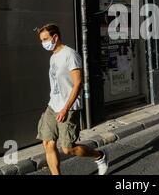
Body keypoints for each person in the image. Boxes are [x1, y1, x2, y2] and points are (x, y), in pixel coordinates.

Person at [36, 24, 108, 175]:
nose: (43, 43)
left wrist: (65, 108)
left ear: (55, 37)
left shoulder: (70, 54)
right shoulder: (53, 57)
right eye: (41, 40)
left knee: (68, 149)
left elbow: (78, 83)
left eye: (45, 39)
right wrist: (53, 104)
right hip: (53, 106)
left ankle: (99, 156)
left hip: (68, 106)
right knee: (48, 143)